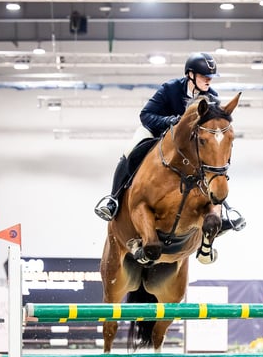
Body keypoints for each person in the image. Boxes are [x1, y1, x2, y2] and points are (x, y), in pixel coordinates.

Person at [93, 52, 246, 234]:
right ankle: (113, 201)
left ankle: (221, 212)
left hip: (187, 144)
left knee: (210, 164)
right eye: (205, 76)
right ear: (190, 75)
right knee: (131, 150)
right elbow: (145, 115)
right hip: (157, 133)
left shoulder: (212, 97)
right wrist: (170, 121)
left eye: (211, 77)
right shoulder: (170, 88)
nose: (209, 80)